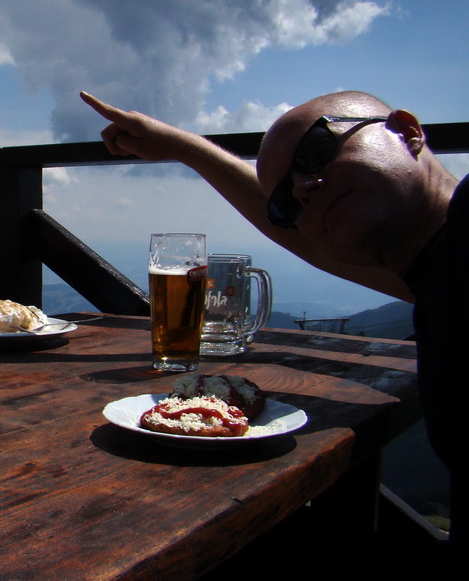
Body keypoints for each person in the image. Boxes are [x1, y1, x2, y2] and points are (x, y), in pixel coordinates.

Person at [81, 90, 464, 549]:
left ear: (407, 131)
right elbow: (318, 241)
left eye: (317, 152)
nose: (304, 188)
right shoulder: (435, 270)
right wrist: (185, 148)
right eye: (286, 203)